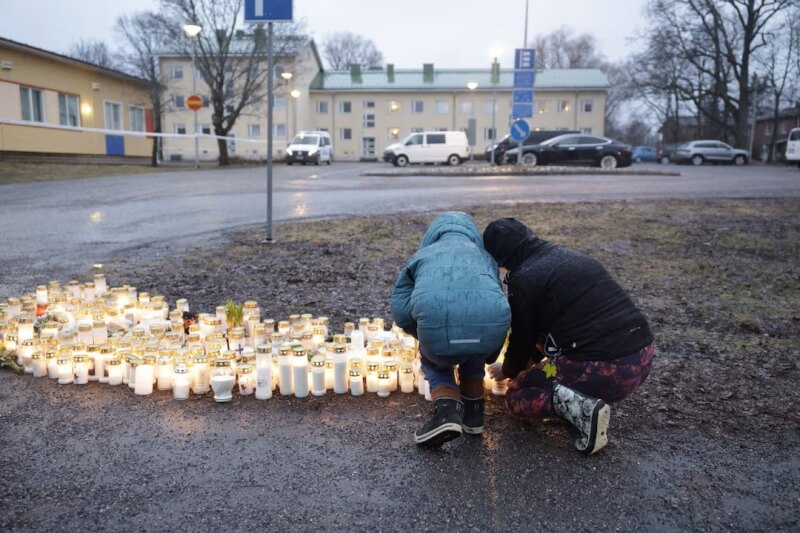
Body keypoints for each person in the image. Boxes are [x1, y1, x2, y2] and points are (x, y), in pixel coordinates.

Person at [483, 218, 654, 454]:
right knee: (542, 364)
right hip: (642, 356)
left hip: (607, 368)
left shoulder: (525, 277)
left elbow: (522, 338)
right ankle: (577, 401)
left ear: (499, 258)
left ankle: (583, 410)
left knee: (517, 395)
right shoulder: (567, 256)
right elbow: (537, 337)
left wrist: (510, 370)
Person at [391, 212, 511, 447]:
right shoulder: (486, 257)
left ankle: (446, 412)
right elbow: (494, 299)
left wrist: (422, 334)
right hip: (485, 334)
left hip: (439, 333)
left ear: (433, 234)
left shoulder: (421, 256)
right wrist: (492, 349)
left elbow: (400, 307)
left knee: (435, 362)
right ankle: (474, 415)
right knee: (473, 350)